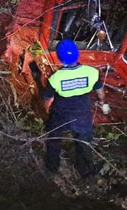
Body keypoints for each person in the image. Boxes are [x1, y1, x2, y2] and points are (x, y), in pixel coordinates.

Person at [42, 39, 107, 178]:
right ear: (77, 55)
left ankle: (51, 168)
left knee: (54, 140)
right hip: (82, 113)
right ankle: (85, 171)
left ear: (59, 58)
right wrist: (102, 102)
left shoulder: (56, 78)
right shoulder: (91, 72)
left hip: (61, 114)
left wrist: (47, 110)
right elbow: (100, 90)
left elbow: (49, 98)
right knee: (84, 141)